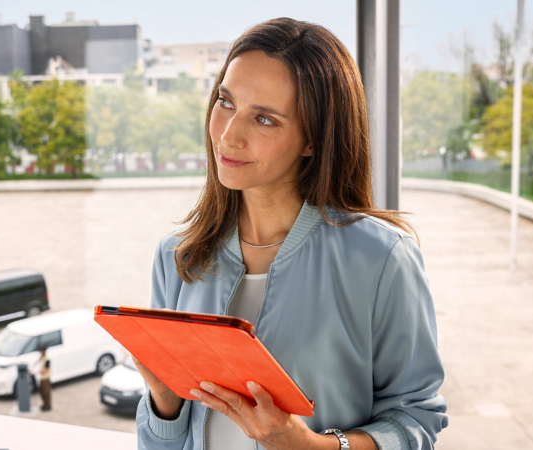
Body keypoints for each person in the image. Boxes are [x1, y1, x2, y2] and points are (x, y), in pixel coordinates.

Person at [133, 17, 448, 450]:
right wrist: (164, 402)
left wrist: (310, 446)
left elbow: (416, 421)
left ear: (313, 140)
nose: (228, 135)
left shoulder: (381, 258)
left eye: (264, 119)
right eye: (226, 102)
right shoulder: (179, 257)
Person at [29, 344, 51, 411]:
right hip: (42, 377)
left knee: (46, 392)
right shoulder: (42, 356)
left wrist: (35, 372)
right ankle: (45, 404)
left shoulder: (47, 359)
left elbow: (45, 369)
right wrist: (32, 366)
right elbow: (38, 360)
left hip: (46, 377)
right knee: (41, 391)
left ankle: (48, 406)